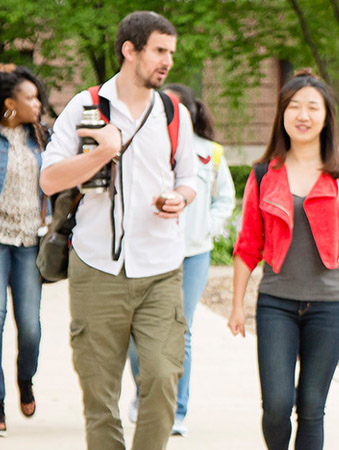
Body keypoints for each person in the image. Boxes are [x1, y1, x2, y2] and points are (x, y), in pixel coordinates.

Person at [39, 11, 197, 450]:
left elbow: (190, 179)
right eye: (159, 51)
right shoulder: (84, 107)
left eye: (171, 52)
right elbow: (49, 179)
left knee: (164, 378)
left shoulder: (173, 112)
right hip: (95, 268)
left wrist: (179, 199)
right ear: (131, 50)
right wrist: (101, 152)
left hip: (161, 269)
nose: (167, 62)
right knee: (99, 396)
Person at [228, 68, 339, 450]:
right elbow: (247, 245)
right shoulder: (263, 175)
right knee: (277, 405)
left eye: (313, 107)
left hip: (331, 306)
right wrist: (237, 307)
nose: (303, 115)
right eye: (294, 106)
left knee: (312, 406)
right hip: (276, 303)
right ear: (282, 115)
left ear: (326, 117)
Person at [127, 83, 235, 436]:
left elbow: (225, 200)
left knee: (180, 330)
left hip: (193, 254)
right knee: (135, 330)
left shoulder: (211, 153)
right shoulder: (142, 146)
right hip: (148, 251)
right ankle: (147, 397)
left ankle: (176, 410)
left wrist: (207, 226)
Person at [0, 64, 49, 437]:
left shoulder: (42, 138)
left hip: (30, 244)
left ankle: (24, 380)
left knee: (30, 328)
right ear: (9, 103)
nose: (38, 103)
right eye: (30, 97)